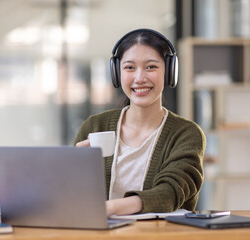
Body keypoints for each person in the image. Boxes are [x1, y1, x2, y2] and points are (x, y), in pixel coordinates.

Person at [74, 29, 205, 216]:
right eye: (129, 68)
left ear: (169, 72)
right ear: (116, 73)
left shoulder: (186, 134)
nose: (139, 78)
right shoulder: (94, 126)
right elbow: (73, 197)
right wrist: (73, 171)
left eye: (151, 67)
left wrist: (109, 208)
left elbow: (170, 193)